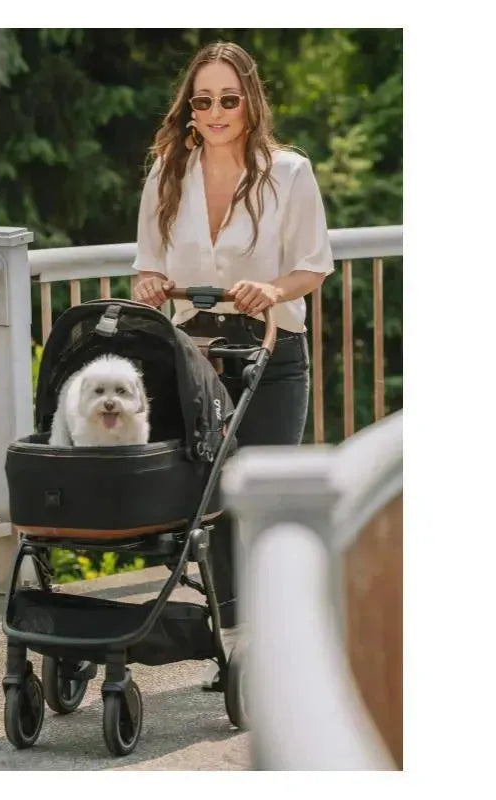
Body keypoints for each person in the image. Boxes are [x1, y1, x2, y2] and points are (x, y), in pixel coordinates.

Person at [131, 41, 334, 689]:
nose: (215, 112)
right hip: (195, 357)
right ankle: (234, 647)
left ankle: (284, 642)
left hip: (271, 351)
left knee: (263, 503)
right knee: (210, 503)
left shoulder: (289, 174)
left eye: (228, 98)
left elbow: (313, 265)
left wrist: (272, 288)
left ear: (250, 101)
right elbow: (147, 265)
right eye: (203, 100)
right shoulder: (168, 172)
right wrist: (149, 284)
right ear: (189, 109)